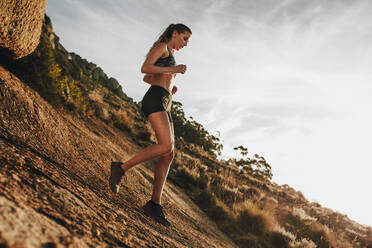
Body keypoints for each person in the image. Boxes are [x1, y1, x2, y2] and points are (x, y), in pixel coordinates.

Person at [109, 23, 192, 226]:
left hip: (164, 99)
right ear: (174, 33)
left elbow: (149, 77)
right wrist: (173, 70)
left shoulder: (169, 53)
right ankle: (121, 167)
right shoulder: (162, 47)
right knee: (165, 146)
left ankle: (154, 204)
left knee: (169, 153)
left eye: (188, 41)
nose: (186, 44)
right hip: (154, 99)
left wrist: (168, 87)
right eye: (184, 38)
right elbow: (144, 69)